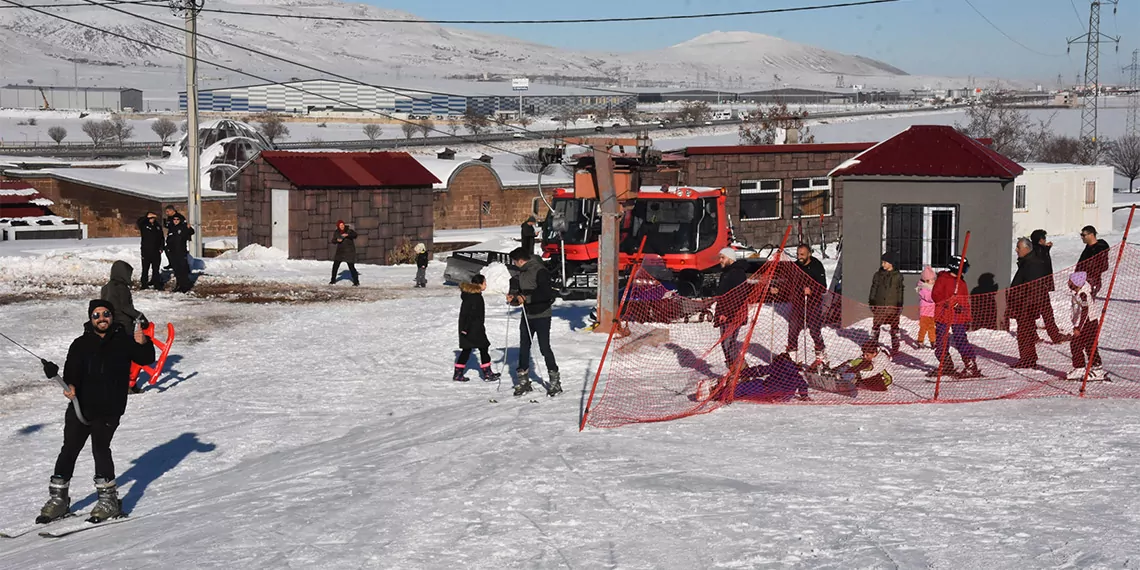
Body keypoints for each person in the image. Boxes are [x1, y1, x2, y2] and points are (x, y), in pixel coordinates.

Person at [37, 299, 155, 524]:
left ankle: (108, 501)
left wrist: (143, 343)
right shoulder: (80, 344)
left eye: (106, 314)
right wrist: (69, 386)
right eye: (96, 315)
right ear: (90, 318)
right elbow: (72, 372)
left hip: (109, 408)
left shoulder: (123, 341)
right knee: (69, 449)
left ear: (112, 317)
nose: (102, 318)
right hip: (81, 407)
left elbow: (146, 359)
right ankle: (58, 500)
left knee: (100, 448)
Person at [507, 247, 560, 396]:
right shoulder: (521, 272)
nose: (514, 264)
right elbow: (519, 290)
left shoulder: (540, 271)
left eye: (515, 262)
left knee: (544, 347)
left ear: (521, 261)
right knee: (524, 347)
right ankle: (523, 381)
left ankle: (555, 380)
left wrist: (526, 298)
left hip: (542, 314)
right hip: (527, 314)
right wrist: (514, 298)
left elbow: (545, 293)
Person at [772, 244, 828, 368]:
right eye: (798, 254)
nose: (799, 257)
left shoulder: (817, 266)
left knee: (814, 331)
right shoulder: (795, 266)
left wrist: (811, 290)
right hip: (798, 304)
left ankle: (821, 358)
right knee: (792, 330)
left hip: (813, 303)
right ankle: (792, 359)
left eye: (802, 254)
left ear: (809, 254)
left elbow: (823, 287)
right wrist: (778, 289)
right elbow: (788, 283)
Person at [930, 255, 980, 378]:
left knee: (960, 339)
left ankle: (970, 365)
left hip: (958, 317)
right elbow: (935, 295)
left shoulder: (961, 283)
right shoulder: (943, 279)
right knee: (942, 340)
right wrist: (948, 301)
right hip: (943, 315)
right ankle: (946, 364)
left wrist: (966, 315)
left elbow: (964, 300)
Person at [1009, 237, 1052, 367]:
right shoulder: (1027, 262)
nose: (1016, 250)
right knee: (1025, 334)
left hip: (1026, 307)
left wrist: (1026, 307)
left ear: (1026, 249)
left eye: (1018, 247)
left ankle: (1027, 360)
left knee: (1024, 334)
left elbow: (1034, 288)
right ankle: (1029, 358)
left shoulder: (1032, 264)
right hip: (1024, 305)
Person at [455, 275, 499, 382]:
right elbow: (470, 315)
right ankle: (487, 373)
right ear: (479, 284)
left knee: (467, 349)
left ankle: (458, 373)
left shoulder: (470, 295)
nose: (486, 285)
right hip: (473, 328)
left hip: (470, 328)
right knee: (483, 347)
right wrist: (467, 329)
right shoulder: (475, 297)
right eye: (485, 283)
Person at [1029, 229, 1068, 343]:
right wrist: (1046, 248)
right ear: (1041, 240)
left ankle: (1032, 335)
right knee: (1047, 312)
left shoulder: (1034, 250)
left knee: (1032, 312)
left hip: (1034, 287)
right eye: (1044, 238)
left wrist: (1046, 248)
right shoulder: (1040, 251)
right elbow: (1043, 264)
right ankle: (1055, 336)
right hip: (1040, 287)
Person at [714, 247, 749, 370]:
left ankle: (742, 368)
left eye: (723, 257)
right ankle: (733, 369)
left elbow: (737, 296)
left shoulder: (737, 273)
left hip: (733, 314)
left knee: (729, 342)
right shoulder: (726, 273)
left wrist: (726, 313)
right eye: (720, 258)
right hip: (724, 313)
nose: (720, 260)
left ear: (730, 258)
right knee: (725, 343)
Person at [1066, 272, 1105, 380]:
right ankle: (1079, 368)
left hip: (1089, 323)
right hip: (1083, 323)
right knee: (1075, 344)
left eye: (1070, 281)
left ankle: (1097, 369)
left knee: (1090, 346)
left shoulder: (1083, 294)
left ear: (1077, 283)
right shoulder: (1077, 292)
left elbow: (1085, 312)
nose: (1068, 283)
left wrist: (1078, 328)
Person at [868, 252, 904, 355]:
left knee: (894, 326)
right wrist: (872, 301)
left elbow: (900, 291)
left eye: (885, 262)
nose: (883, 264)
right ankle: (873, 345)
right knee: (876, 326)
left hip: (893, 306)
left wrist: (900, 304)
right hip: (879, 305)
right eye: (882, 262)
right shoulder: (877, 275)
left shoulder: (898, 276)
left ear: (891, 263)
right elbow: (873, 288)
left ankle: (895, 346)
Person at [736, 352, 809, 401]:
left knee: (752, 385)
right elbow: (803, 384)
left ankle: (731, 392)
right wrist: (804, 395)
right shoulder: (795, 372)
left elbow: (760, 371)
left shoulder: (777, 366)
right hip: (786, 396)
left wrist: (744, 372)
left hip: (770, 391)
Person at [100, 261, 142, 332]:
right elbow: (125, 307)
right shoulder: (121, 287)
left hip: (110, 324)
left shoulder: (105, 288)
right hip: (123, 325)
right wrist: (140, 316)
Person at [1077, 225, 1111, 296]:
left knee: (1087, 303)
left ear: (1091, 235)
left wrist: (1089, 276)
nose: (1082, 237)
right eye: (1081, 235)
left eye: (1083, 235)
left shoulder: (1099, 249)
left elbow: (1104, 266)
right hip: (1082, 280)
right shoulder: (1088, 247)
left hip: (1092, 281)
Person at [165, 213, 194, 293]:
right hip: (173, 252)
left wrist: (189, 228)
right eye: (174, 219)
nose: (176, 221)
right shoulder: (171, 228)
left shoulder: (182, 227)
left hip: (181, 251)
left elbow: (191, 232)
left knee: (183, 269)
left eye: (177, 219)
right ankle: (179, 284)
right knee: (177, 270)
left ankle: (185, 285)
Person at [136, 212, 164, 290]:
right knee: (145, 268)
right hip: (146, 251)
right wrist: (146, 217)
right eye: (150, 218)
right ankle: (144, 284)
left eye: (153, 218)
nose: (152, 220)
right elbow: (139, 222)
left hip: (156, 251)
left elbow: (161, 237)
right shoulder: (144, 225)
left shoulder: (157, 226)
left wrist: (161, 247)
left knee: (156, 269)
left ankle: (156, 284)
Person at [329, 220, 359, 286]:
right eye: (340, 225)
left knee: (351, 267)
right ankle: (333, 280)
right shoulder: (337, 232)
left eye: (343, 225)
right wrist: (337, 240)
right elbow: (333, 240)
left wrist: (348, 235)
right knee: (335, 266)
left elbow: (355, 235)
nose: (342, 226)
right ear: (338, 226)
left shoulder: (349, 230)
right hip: (340, 252)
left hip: (349, 252)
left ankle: (356, 281)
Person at [916, 266, 937, 348]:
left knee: (932, 327)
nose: (932, 281)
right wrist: (936, 297)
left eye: (933, 279)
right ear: (925, 280)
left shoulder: (933, 287)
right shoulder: (923, 288)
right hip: (924, 312)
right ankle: (920, 341)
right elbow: (929, 297)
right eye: (930, 280)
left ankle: (933, 341)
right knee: (923, 327)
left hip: (932, 312)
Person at [161, 206, 181, 271]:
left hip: (176, 239)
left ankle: (176, 265)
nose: (167, 213)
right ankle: (171, 264)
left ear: (172, 210)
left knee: (175, 253)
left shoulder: (178, 217)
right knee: (167, 250)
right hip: (170, 238)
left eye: (167, 211)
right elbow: (169, 226)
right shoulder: (170, 218)